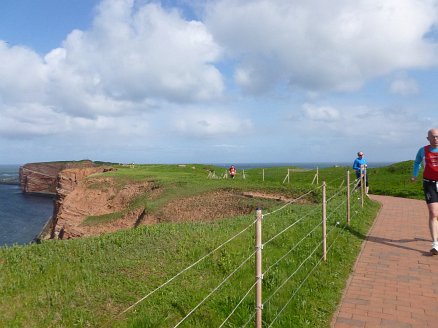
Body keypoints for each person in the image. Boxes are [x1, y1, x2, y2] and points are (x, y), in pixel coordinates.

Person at [411, 128, 438, 255]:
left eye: (437, 136)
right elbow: (417, 163)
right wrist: (414, 175)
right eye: (433, 137)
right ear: (428, 138)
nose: (436, 139)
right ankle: (435, 244)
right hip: (429, 184)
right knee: (433, 213)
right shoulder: (423, 150)